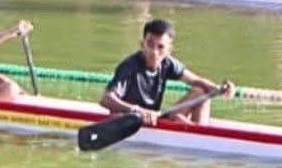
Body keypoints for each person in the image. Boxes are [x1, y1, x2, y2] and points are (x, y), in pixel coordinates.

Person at [99, 19, 233, 126]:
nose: (154, 52)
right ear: (142, 44)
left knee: (201, 92)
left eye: (160, 47)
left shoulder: (168, 63)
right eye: (150, 44)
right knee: (193, 101)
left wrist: (219, 89)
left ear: (169, 50)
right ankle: (193, 130)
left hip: (155, 118)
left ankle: (198, 133)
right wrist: (137, 110)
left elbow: (196, 81)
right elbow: (105, 99)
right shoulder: (129, 66)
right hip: (132, 120)